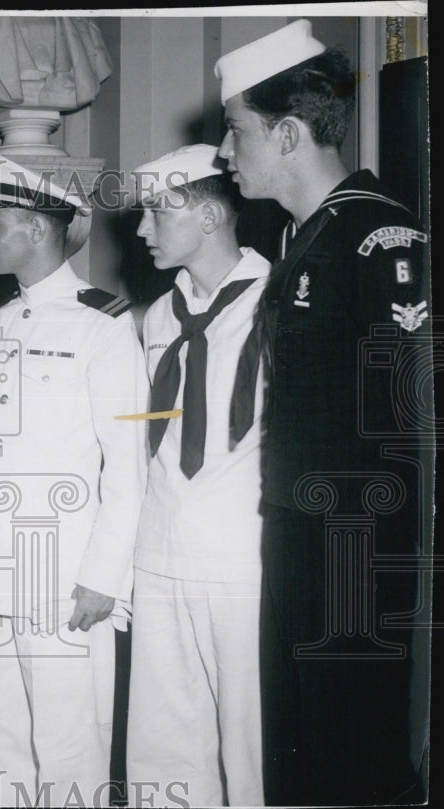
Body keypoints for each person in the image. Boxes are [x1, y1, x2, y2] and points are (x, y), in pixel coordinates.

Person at [215, 20, 428, 806]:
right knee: (298, 754)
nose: (225, 154)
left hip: (356, 548)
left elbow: (414, 425)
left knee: (357, 758)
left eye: (237, 133)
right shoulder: (303, 239)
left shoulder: (380, 237)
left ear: (291, 132)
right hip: (298, 536)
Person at [0, 152, 148, 808]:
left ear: (34, 227)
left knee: (69, 744)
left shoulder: (104, 323)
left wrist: (104, 577)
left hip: (64, 576)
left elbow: (128, 460)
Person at [126, 145, 270, 807]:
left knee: (249, 745)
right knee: (161, 746)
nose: (141, 229)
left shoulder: (279, 306)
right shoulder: (158, 317)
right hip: (159, 554)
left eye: (158, 211)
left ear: (210, 215)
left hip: (242, 556)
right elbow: (143, 443)